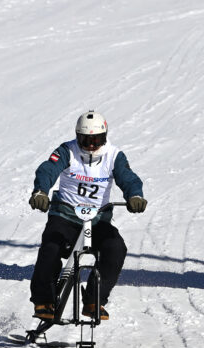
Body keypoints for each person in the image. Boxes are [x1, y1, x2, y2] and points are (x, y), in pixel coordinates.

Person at [28, 110, 147, 321]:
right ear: (77, 136)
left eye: (97, 140)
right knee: (51, 247)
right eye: (86, 140)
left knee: (115, 248)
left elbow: (128, 178)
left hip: (97, 220)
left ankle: (94, 300)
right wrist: (41, 191)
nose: (91, 145)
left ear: (105, 137)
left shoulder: (113, 155)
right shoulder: (67, 151)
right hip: (66, 215)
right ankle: (44, 300)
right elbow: (47, 170)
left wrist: (135, 195)